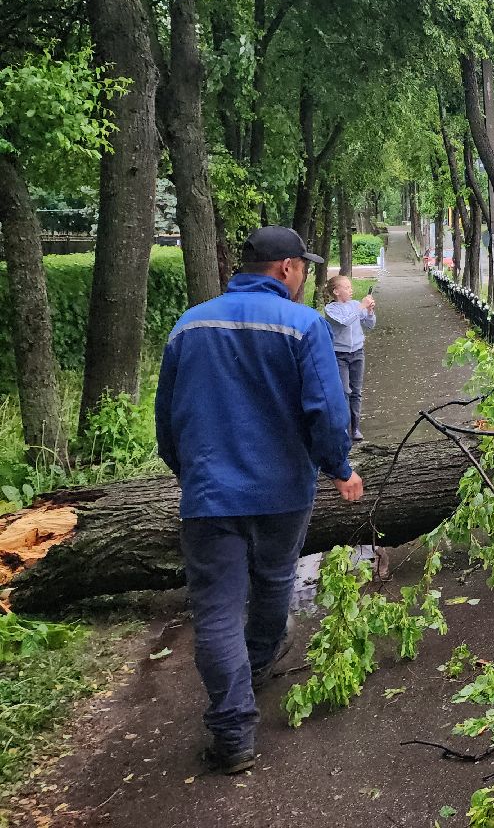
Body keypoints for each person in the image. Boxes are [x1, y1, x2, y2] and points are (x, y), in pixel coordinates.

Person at [155, 225, 363, 775]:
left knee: (217, 611)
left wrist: (193, 473)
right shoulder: (303, 324)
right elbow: (327, 409)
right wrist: (339, 468)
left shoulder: (189, 323)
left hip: (210, 495)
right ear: (285, 269)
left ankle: (232, 734)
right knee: (273, 584)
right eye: (303, 268)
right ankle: (256, 669)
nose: (304, 277)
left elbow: (166, 418)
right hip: (282, 494)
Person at [323, 274, 377, 441]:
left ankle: (355, 428)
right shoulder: (330, 310)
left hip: (358, 353)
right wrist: (361, 306)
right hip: (339, 355)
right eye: (346, 287)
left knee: (356, 392)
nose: (351, 290)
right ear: (336, 291)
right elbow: (344, 322)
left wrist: (369, 311)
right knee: (344, 392)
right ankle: (344, 429)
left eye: (350, 287)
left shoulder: (354, 305)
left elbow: (370, 325)